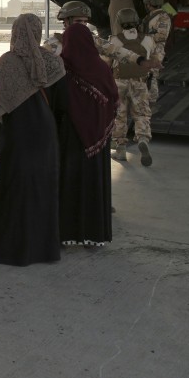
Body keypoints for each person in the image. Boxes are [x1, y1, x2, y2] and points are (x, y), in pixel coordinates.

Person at [0, 14, 65, 266]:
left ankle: (10, 250)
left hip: (16, 133)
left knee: (14, 188)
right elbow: (61, 103)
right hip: (44, 132)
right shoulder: (51, 61)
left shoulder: (7, 61)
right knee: (41, 188)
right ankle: (43, 250)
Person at [58, 23, 119, 248]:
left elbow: (57, 103)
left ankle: (66, 234)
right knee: (95, 183)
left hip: (70, 137)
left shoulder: (62, 69)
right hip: (97, 140)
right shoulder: (101, 68)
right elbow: (114, 100)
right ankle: (94, 235)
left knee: (69, 183)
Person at [108, 9, 155, 166]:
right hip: (139, 82)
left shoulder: (114, 40)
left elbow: (107, 62)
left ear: (119, 22)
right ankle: (142, 139)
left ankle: (120, 149)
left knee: (119, 115)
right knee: (141, 113)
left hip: (119, 81)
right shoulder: (148, 39)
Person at [141, 0, 172, 106]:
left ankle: (152, 99)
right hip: (146, 48)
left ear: (149, 4)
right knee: (145, 74)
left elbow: (162, 36)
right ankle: (146, 97)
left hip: (156, 49)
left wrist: (146, 36)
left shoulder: (163, 17)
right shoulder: (149, 16)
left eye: (147, 4)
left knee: (152, 75)